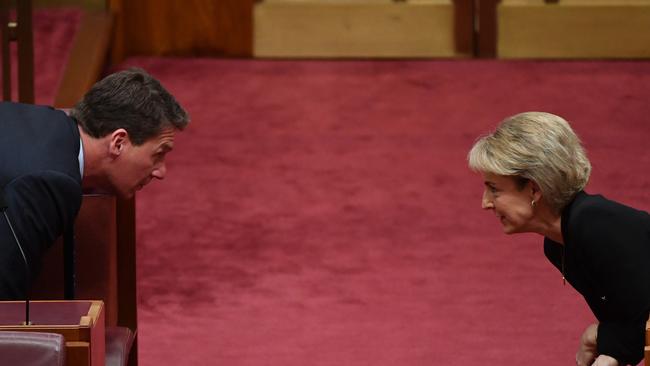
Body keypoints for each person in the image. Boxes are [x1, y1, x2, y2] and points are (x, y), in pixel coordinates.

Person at [467, 112, 650, 366]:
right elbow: (631, 322)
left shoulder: (594, 224)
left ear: (534, 189)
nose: (485, 203)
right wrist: (605, 343)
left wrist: (598, 338)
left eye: (494, 189)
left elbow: (642, 325)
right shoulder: (557, 245)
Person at [0, 68, 189, 300]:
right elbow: (5, 298)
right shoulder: (52, 181)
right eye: (158, 154)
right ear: (118, 142)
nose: (161, 171)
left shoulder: (45, 123)